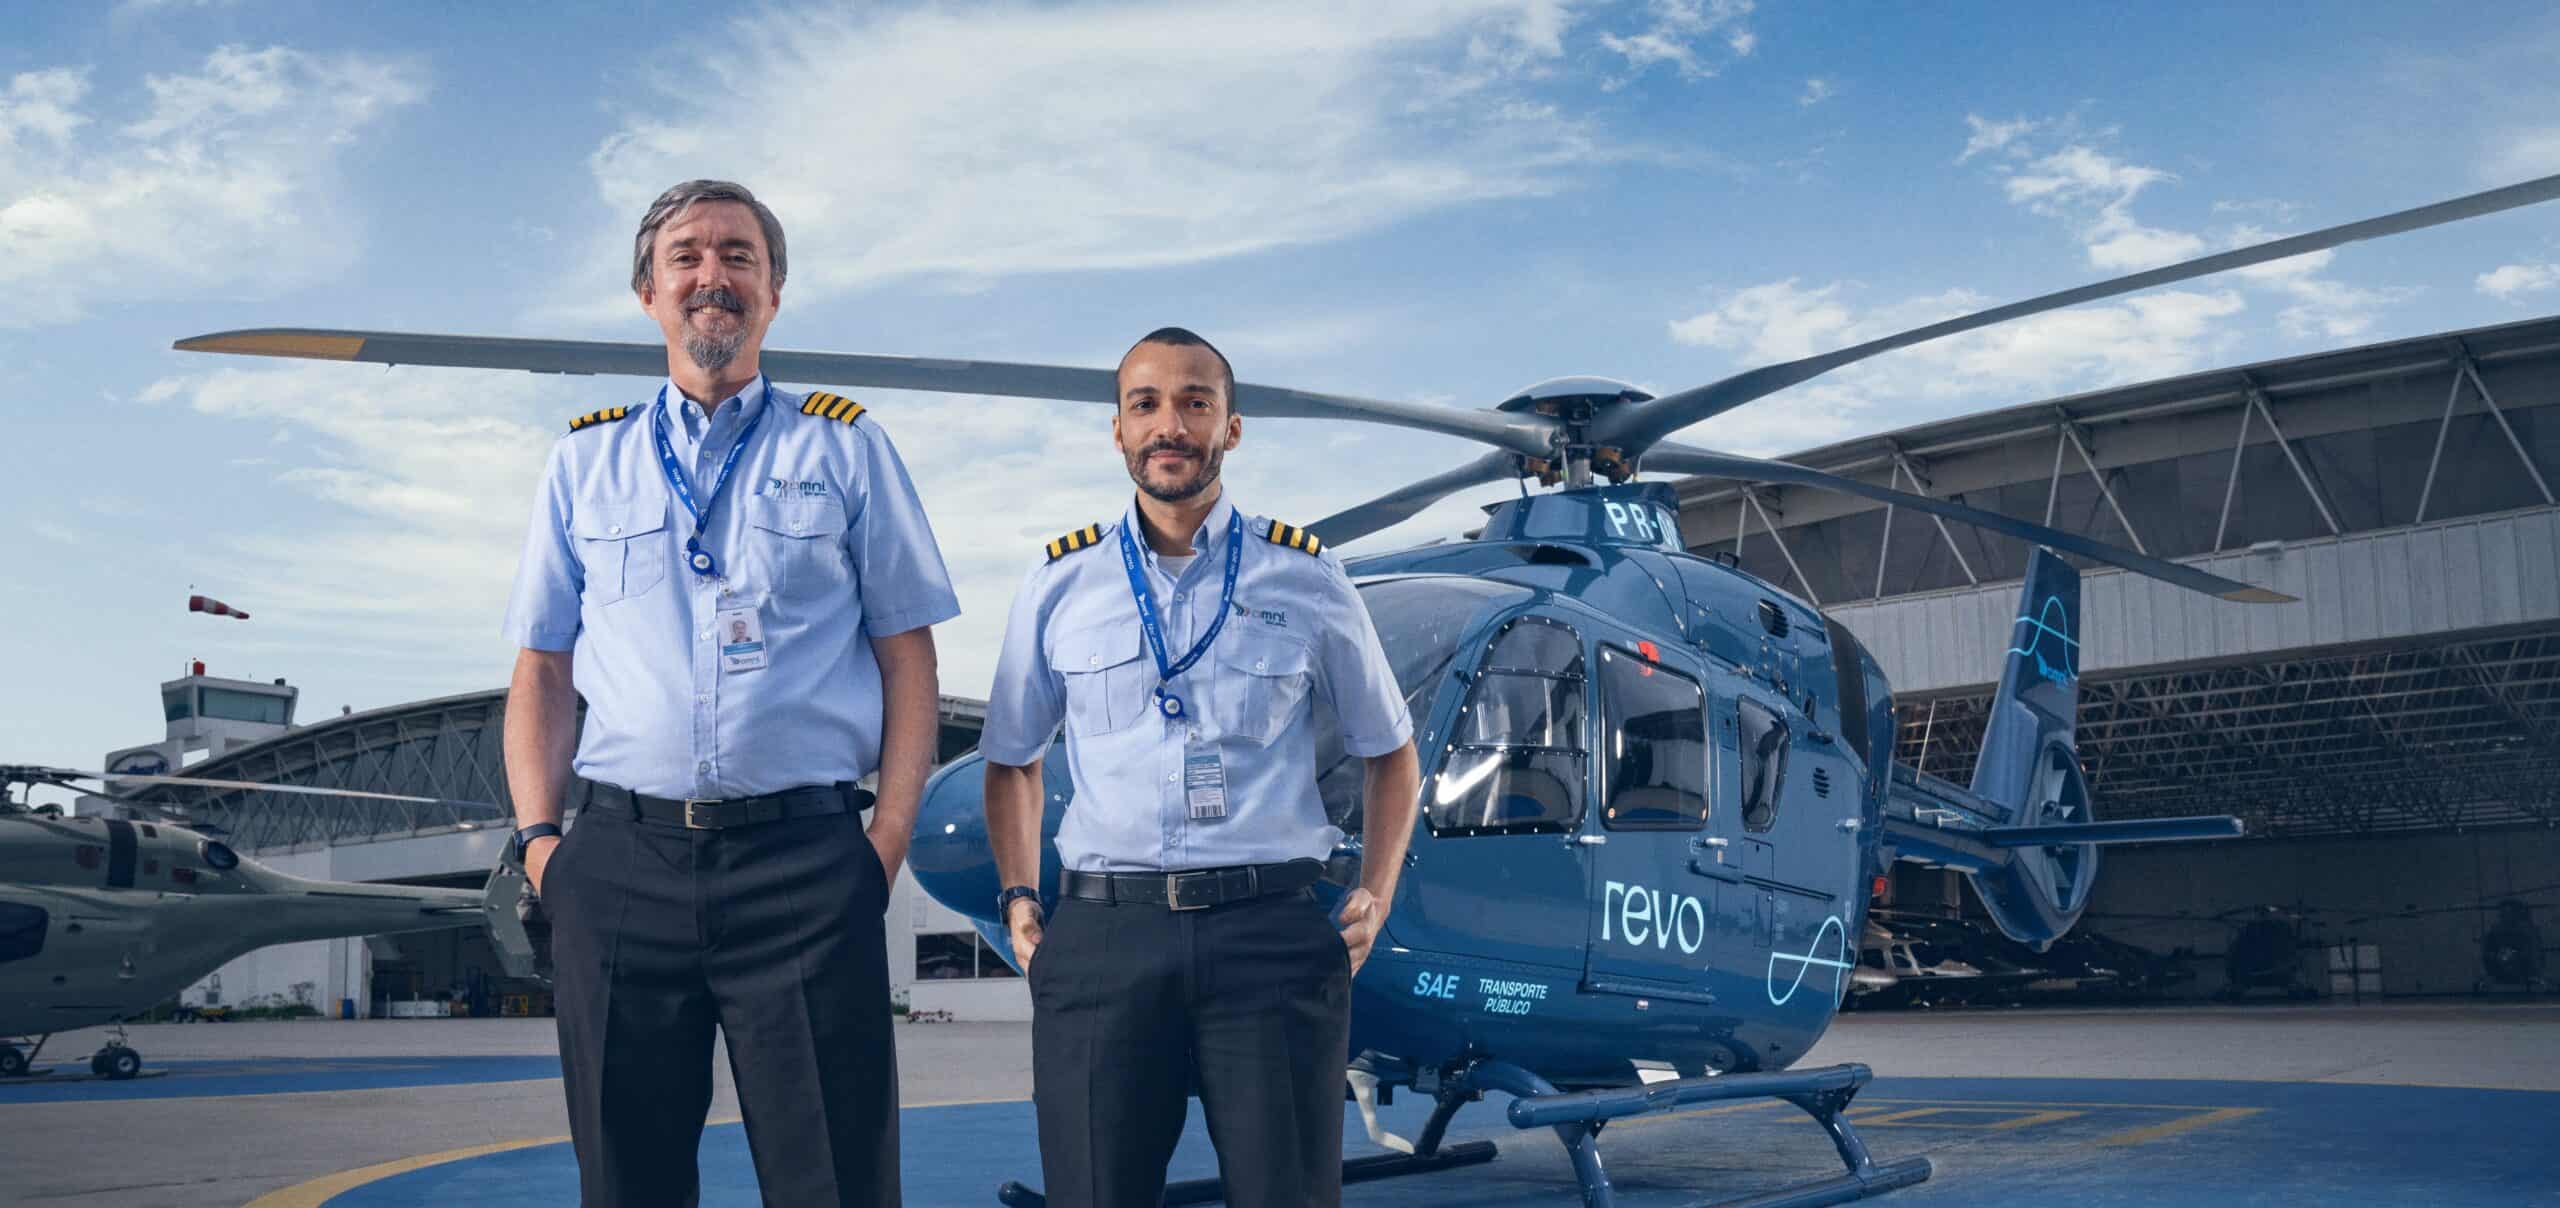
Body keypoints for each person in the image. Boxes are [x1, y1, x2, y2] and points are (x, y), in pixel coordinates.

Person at [501, 179, 957, 1208]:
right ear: (649, 291)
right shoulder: (584, 462)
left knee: (831, 1177)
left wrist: (881, 843)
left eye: (741, 256)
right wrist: (543, 846)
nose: (716, 276)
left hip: (802, 864)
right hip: (619, 862)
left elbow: (907, 657)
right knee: (626, 1179)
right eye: (690, 256)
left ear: (775, 292)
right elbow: (542, 667)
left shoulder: (845, 448)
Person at [980, 327, 1422, 1207]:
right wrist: (1019, 896)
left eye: (1194, 403)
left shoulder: (1306, 575)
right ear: (1117, 431)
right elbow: (1012, 761)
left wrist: (1375, 889)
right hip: (1106, 937)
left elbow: (1391, 752)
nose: (1169, 425)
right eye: (1145, 404)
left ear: (1232, 426)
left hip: (1269, 935)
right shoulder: (1060, 583)